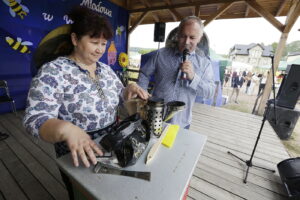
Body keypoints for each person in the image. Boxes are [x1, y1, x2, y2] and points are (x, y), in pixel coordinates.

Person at [23, 6, 149, 199]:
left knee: (111, 192)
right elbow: (35, 118)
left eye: (104, 43)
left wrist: (127, 90)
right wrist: (66, 128)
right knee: (84, 194)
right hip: (79, 151)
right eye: (94, 42)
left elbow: (118, 96)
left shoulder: (105, 70)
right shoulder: (53, 72)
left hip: (111, 143)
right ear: (75, 40)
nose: (100, 49)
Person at [138, 16, 215, 129]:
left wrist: (193, 77)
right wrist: (142, 93)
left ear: (200, 38)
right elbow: (144, 74)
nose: (186, 42)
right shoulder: (161, 55)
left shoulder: (205, 64)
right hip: (155, 116)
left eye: (192, 37)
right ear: (178, 34)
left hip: (182, 123)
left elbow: (210, 92)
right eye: (183, 36)